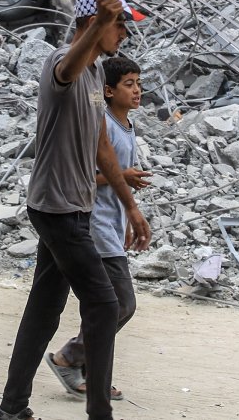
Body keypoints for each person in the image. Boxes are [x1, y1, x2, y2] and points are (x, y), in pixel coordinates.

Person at [0, 0, 152, 420]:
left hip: (73, 205)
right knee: (104, 305)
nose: (123, 33)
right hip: (56, 206)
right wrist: (101, 21)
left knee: (44, 310)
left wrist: (130, 205)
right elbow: (67, 68)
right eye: (119, 24)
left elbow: (102, 147)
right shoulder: (61, 63)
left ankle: (11, 408)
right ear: (92, 22)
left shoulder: (96, 75)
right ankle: (99, 412)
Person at [44, 56, 150, 402]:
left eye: (138, 83)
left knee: (109, 305)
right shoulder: (100, 123)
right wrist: (123, 178)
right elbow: (85, 177)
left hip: (111, 227)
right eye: (129, 84)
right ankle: (69, 358)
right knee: (120, 303)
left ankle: (90, 371)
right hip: (95, 227)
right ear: (107, 91)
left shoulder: (125, 126)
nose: (137, 90)